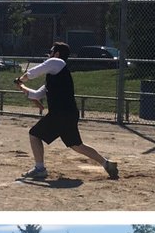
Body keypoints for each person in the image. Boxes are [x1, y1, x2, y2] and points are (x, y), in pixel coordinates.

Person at [13, 41, 118, 182]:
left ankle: (40, 169)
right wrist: (22, 86)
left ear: (57, 54)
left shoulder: (57, 62)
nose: (49, 55)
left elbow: (33, 73)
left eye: (51, 51)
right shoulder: (54, 75)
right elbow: (37, 95)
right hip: (68, 113)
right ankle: (107, 163)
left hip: (60, 114)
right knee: (76, 145)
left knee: (34, 134)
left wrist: (21, 78)